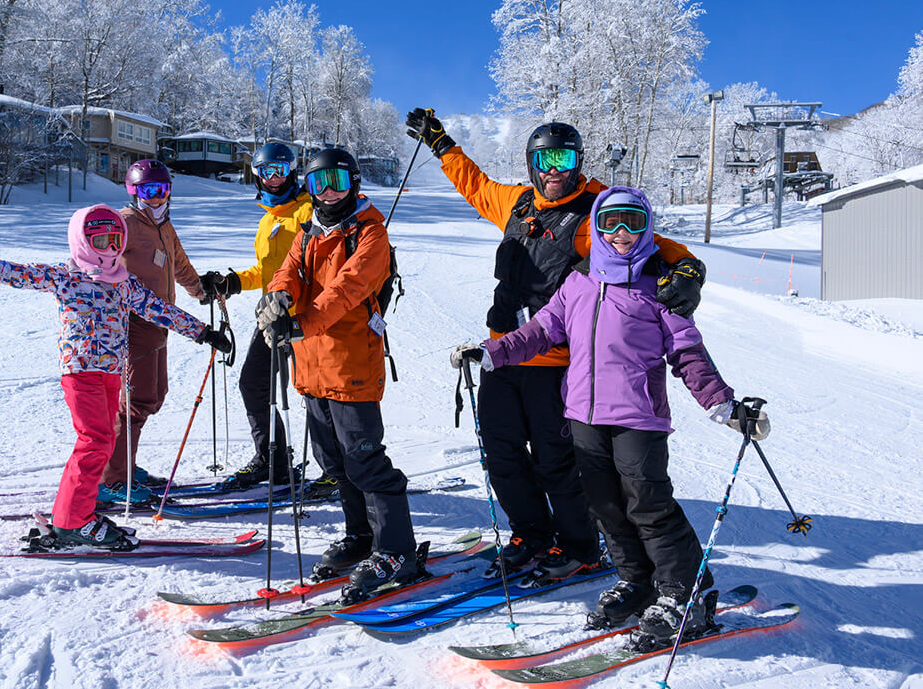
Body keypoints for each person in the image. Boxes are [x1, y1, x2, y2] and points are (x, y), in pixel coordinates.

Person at [451, 186, 769, 649]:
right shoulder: (579, 281)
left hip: (638, 416)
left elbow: (687, 351)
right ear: (597, 227)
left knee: (648, 505)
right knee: (603, 505)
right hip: (583, 413)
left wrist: (722, 404)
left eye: (632, 222)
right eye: (610, 222)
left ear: (647, 227)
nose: (621, 232)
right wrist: (491, 352)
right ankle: (637, 581)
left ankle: (684, 594)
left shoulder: (660, 285)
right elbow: (541, 330)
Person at [409, 108, 706, 581]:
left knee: (557, 461)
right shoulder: (517, 203)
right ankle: (530, 534)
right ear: (531, 163)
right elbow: (475, 185)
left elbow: (646, 238)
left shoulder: (594, 209)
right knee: (501, 453)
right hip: (505, 351)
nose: (554, 170)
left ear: (578, 161)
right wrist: (442, 145)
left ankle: (579, 545)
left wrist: (688, 267)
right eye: (544, 159)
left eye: (563, 158)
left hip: (559, 361)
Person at [0, 204, 232, 548]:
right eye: (100, 240)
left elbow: (158, 309)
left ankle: (75, 513)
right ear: (82, 241)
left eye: (116, 240)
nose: (110, 248)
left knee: (101, 443)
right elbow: (19, 273)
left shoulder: (123, 282)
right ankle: (73, 522)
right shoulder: (67, 277)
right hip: (81, 372)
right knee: (95, 442)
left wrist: (202, 332)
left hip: (110, 375)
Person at [254, 148, 418, 592]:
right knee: (334, 462)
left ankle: (397, 550)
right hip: (311, 367)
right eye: (318, 183)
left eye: (337, 182)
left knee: (364, 459)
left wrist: (299, 325)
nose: (328, 192)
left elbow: (347, 288)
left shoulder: (370, 234)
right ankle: (361, 535)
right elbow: (288, 271)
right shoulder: (308, 230)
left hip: (351, 365)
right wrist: (279, 298)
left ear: (354, 183)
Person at [198, 142, 329, 491]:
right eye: (266, 172)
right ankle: (274, 461)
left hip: (306, 318)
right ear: (256, 175)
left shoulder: (307, 210)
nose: (274, 178)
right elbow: (268, 270)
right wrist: (234, 282)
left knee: (316, 392)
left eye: (281, 170)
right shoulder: (269, 218)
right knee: (254, 383)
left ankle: (336, 470)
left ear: (292, 171)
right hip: (273, 317)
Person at [101, 159, 206, 503]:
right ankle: (113, 478)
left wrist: (201, 291)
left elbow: (180, 264)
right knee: (135, 401)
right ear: (134, 192)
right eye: (148, 191)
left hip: (160, 323)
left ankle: (124, 465)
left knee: (154, 394)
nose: (156, 197)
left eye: (162, 190)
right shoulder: (126, 223)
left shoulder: (165, 226)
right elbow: (97, 257)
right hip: (134, 323)